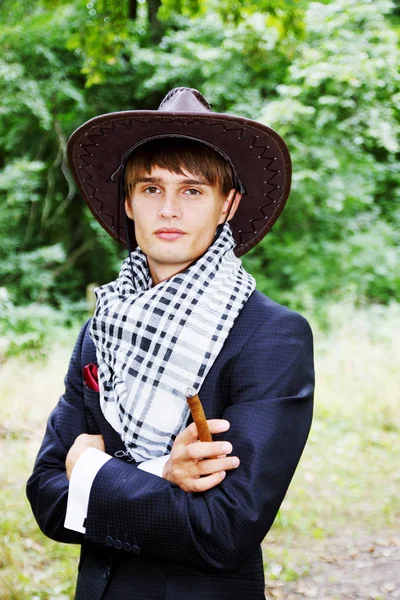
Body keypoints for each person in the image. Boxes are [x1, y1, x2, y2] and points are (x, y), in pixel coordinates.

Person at [27, 87, 314, 599]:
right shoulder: (102, 327)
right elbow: (46, 495)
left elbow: (224, 530)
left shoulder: (272, 335)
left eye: (193, 190)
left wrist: (91, 470)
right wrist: (164, 477)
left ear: (228, 203)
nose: (169, 210)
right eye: (151, 188)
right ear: (129, 202)